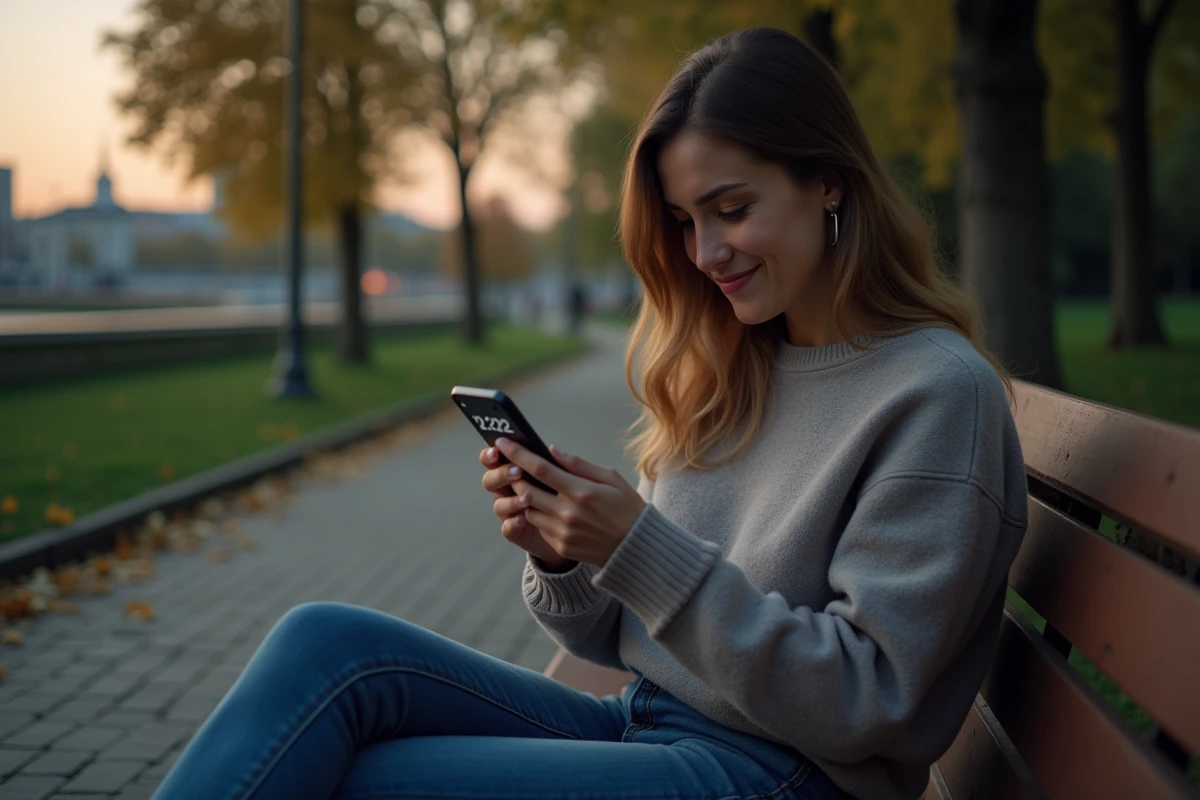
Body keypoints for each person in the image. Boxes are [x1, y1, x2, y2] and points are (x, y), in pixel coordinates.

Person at [151, 27, 1028, 800]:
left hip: (786, 776)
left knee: (358, 778)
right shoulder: (735, 365)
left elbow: (864, 701)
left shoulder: (936, 393)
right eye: (686, 220)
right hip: (653, 728)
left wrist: (636, 546)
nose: (706, 253)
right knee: (324, 646)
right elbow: (615, 637)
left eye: (732, 210)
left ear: (829, 186)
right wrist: (563, 554)